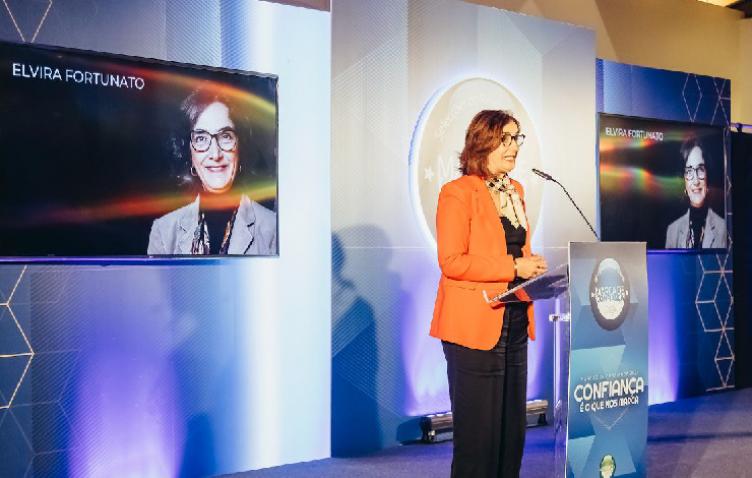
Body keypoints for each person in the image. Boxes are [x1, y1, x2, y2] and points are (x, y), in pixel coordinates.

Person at [430, 109, 547, 477]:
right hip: (473, 329)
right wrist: (513, 268)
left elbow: (515, 249)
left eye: (517, 138)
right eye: (506, 139)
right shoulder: (457, 193)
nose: (514, 147)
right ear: (483, 142)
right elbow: (452, 261)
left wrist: (533, 271)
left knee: (512, 437)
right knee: (478, 441)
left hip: (514, 322)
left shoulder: (516, 191)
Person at [148, 86, 277, 255]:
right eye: (201, 138)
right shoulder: (164, 232)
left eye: (226, 136)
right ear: (189, 152)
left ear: (240, 145)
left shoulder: (273, 229)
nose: (215, 154)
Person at [665, 136, 726, 249]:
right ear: (683, 179)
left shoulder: (723, 228)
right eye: (689, 171)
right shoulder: (673, 231)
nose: (696, 180)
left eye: (700, 169)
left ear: (708, 175)